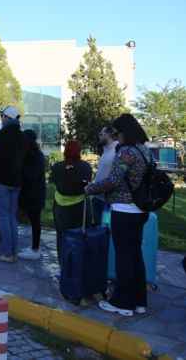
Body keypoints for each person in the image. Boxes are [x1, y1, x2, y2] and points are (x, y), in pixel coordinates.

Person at [85, 114, 151, 317]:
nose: (116, 137)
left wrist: (90, 188)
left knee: (124, 258)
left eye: (117, 132)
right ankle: (139, 302)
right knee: (135, 256)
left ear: (124, 132)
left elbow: (113, 180)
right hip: (141, 209)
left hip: (124, 210)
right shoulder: (144, 150)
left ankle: (122, 302)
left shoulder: (127, 153)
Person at [0, 106, 26, 263]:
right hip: (17, 182)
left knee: (3, 218)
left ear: (7, 118)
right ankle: (14, 252)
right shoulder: (22, 137)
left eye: (2, 116)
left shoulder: (2, 135)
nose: (1, 119)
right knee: (12, 217)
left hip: (1, 182)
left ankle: (7, 253)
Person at [50, 140, 92, 265]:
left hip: (60, 206)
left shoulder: (57, 167)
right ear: (79, 151)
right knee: (78, 236)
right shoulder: (85, 167)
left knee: (61, 236)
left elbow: (54, 182)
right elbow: (87, 183)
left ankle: (63, 264)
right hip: (79, 206)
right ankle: (77, 263)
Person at [17, 130, 47, 260]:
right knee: (34, 220)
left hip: (34, 194)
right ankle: (34, 247)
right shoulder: (32, 154)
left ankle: (35, 249)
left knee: (35, 221)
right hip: (32, 193)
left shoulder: (36, 156)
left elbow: (31, 175)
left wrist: (20, 171)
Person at [91, 126, 119, 226]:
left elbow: (114, 178)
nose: (99, 136)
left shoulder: (117, 151)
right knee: (99, 230)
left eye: (101, 134)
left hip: (108, 203)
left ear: (109, 135)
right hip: (97, 198)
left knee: (106, 228)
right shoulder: (106, 151)